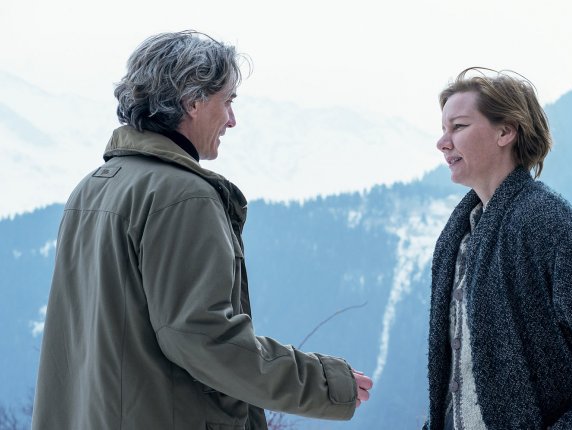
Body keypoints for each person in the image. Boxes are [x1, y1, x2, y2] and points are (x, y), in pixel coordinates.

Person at [32, 31, 372, 429]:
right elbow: (201, 336)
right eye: (227, 101)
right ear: (192, 102)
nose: (232, 120)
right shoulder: (182, 195)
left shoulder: (92, 188)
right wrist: (325, 383)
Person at [424, 68, 572, 429]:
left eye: (458, 127)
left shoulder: (544, 223)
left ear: (506, 131)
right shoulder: (458, 236)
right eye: (444, 129)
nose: (443, 142)